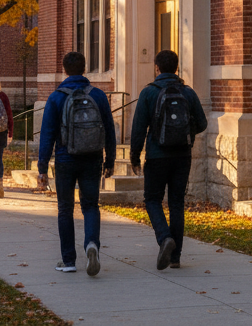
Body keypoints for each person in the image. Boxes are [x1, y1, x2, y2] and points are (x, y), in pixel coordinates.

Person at [37, 51, 116, 276]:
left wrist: (42, 167)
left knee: (65, 209)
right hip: (92, 158)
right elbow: (109, 129)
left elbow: (47, 134)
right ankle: (92, 245)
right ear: (85, 68)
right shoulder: (99, 96)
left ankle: (68, 260)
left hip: (65, 159)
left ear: (64, 70)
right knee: (90, 205)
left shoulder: (56, 97)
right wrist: (109, 159)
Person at [129, 49, 208, 271]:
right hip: (182, 156)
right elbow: (202, 124)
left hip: (156, 155)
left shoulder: (149, 93)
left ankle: (164, 239)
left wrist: (135, 156)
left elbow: (138, 128)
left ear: (157, 68)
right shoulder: (188, 92)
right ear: (176, 68)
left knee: (152, 199)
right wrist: (186, 134)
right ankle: (175, 257)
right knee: (176, 203)